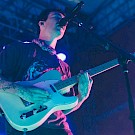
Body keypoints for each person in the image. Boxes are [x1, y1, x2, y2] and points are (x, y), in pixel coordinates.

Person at [0, 8, 93, 135]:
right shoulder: (19, 49)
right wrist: (23, 91)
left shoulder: (64, 67)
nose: (63, 22)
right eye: (56, 17)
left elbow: (62, 107)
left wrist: (81, 97)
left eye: (64, 21)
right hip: (24, 124)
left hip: (59, 128)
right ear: (41, 23)